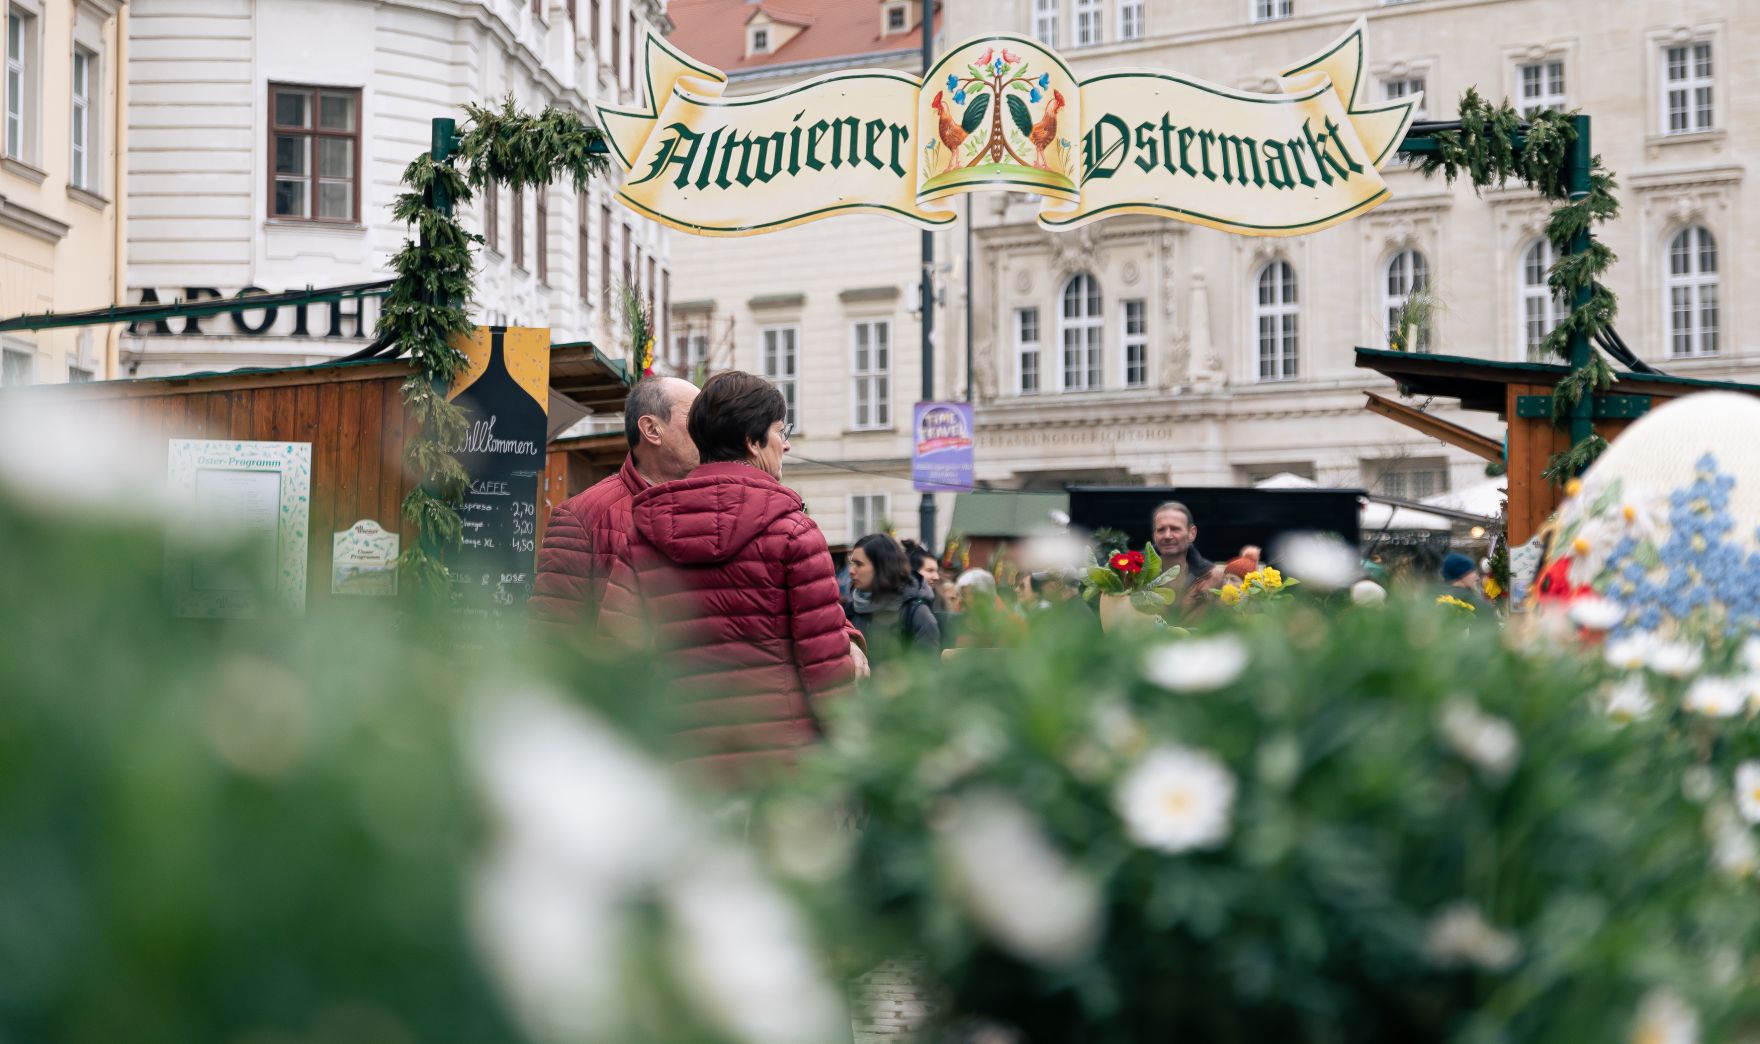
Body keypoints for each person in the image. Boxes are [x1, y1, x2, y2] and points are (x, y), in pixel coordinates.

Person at [600, 372, 854, 783]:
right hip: (781, 768)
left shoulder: (642, 535)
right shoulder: (795, 533)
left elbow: (616, 658)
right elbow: (826, 671)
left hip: (682, 770)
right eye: (779, 430)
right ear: (752, 442)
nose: (785, 443)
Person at [529, 376, 699, 629]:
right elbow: (553, 635)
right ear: (652, 430)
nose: (708, 429)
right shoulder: (580, 517)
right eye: (694, 418)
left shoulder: (719, 508)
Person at [844, 533, 940, 660]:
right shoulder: (849, 612)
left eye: (859, 564)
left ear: (882, 567)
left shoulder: (916, 613)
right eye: (852, 563)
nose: (851, 571)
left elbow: (927, 671)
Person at [1150, 501, 1226, 618]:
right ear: (1154, 535)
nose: (1167, 535)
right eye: (1161, 530)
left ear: (1192, 533)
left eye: (1175, 529)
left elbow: (1225, 623)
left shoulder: (1214, 578)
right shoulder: (1134, 577)